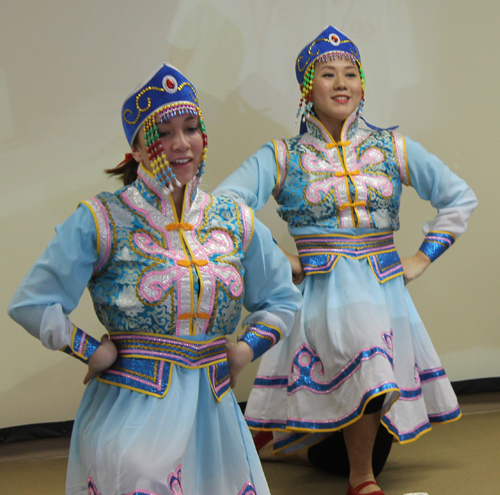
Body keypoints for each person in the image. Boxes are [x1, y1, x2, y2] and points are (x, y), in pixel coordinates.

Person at [8, 63, 302, 495]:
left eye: (190, 129)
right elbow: (31, 302)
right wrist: (91, 350)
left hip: (214, 409)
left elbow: (281, 298)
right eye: (162, 134)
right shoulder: (103, 217)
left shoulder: (234, 219)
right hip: (134, 408)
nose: (180, 145)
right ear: (138, 148)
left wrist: (244, 350)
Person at [214, 25, 478, 495]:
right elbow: (221, 209)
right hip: (324, 294)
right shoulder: (282, 155)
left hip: (382, 289)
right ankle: (362, 482)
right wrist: (280, 260)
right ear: (306, 90)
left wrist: (421, 257)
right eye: (328, 75)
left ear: (362, 84)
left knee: (373, 424)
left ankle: (288, 445)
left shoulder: (391, 146)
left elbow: (460, 197)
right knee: (368, 366)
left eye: (351, 74)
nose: (342, 84)